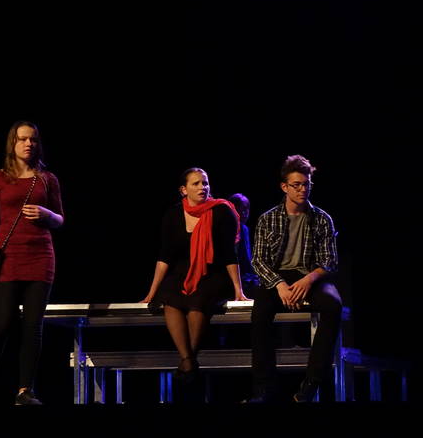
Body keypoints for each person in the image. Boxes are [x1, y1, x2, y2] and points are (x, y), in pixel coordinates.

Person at [0, 121, 65, 406]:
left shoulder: (47, 179)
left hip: (41, 257)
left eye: (33, 140)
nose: (28, 144)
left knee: (33, 326)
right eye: (23, 139)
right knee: (2, 323)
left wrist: (46, 214)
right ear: (12, 143)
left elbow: (60, 219)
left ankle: (25, 391)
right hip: (9, 257)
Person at [246, 155, 342, 403]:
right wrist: (279, 285)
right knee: (260, 313)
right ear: (284, 186)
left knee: (333, 305)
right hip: (277, 277)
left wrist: (309, 280)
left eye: (306, 184)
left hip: (310, 274)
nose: (302, 189)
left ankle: (311, 384)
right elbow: (258, 260)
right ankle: (264, 389)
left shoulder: (321, 218)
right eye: (296, 185)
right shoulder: (268, 218)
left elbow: (330, 260)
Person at [141, 168, 246, 384]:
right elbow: (165, 256)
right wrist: (151, 292)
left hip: (213, 271)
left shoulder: (222, 211)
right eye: (196, 183)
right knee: (170, 298)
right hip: (182, 271)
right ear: (183, 190)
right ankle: (188, 361)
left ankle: (187, 362)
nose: (202, 187)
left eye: (205, 183)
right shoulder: (173, 214)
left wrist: (239, 289)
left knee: (198, 300)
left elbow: (229, 254)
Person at [228, 193, 259, 298]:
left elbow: (247, 257)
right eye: (241, 209)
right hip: (237, 276)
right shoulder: (233, 227)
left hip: (246, 275)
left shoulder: (244, 228)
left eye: (247, 209)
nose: (245, 213)